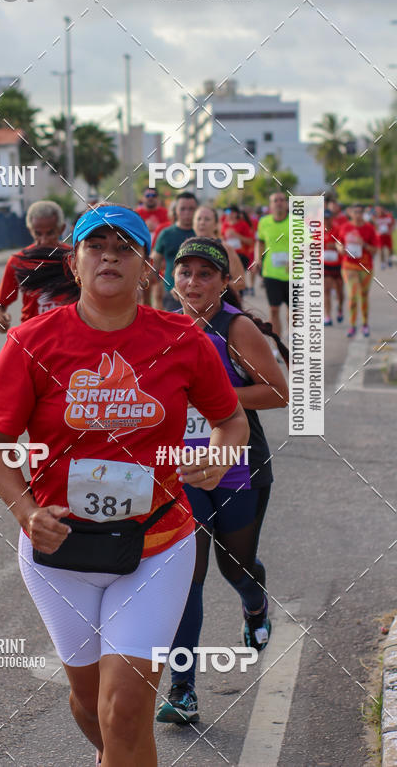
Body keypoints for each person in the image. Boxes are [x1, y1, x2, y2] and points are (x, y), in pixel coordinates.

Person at [0, 206, 249, 766]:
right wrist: (26, 512)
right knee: (90, 705)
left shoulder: (182, 338)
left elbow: (231, 419)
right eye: (95, 245)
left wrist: (221, 455)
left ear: (146, 268)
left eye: (125, 248)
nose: (109, 256)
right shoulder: (31, 341)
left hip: (157, 544)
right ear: (74, 264)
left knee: (124, 709)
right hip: (59, 550)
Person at [156, 236, 289, 725]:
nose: (193, 282)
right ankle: (183, 690)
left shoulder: (236, 328)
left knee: (235, 567)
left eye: (205, 274)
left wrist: (214, 397)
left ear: (224, 282)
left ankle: (255, 605)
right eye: (185, 272)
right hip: (183, 470)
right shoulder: (163, 328)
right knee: (185, 579)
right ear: (173, 280)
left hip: (239, 467)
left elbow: (278, 393)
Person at [0, 200, 69, 332]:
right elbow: (1, 303)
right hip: (32, 335)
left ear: (61, 229)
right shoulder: (18, 261)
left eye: (50, 233)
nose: (44, 240)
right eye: (38, 234)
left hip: (69, 335)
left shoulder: (75, 258)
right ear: (30, 230)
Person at [336, 203, 378, 338]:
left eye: (360, 212)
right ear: (350, 213)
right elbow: (339, 243)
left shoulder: (369, 228)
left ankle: (365, 324)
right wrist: (340, 249)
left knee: (364, 295)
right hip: (349, 266)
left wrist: (364, 244)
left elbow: (375, 250)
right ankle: (352, 325)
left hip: (365, 267)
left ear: (363, 213)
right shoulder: (345, 227)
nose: (358, 215)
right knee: (353, 295)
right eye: (355, 212)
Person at [254, 192, 290, 344]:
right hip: (271, 273)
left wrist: (296, 260)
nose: (279, 203)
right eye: (275, 200)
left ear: (286, 204)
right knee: (274, 310)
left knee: (294, 313)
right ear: (270, 205)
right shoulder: (264, 222)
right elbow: (260, 242)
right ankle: (277, 345)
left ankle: (292, 336)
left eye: (282, 200)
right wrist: (258, 258)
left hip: (293, 274)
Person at [153, 191, 198, 311]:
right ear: (175, 210)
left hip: (199, 294)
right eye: (182, 209)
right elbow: (153, 263)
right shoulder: (166, 234)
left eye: (191, 209)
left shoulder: (202, 234)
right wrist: (158, 284)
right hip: (172, 295)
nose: (187, 213)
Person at [193, 205, 246, 294]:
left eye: (207, 219)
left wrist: (216, 288)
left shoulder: (225, 249)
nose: (202, 222)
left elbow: (241, 282)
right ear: (193, 224)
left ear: (216, 225)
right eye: (198, 219)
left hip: (221, 301)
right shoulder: (188, 248)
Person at [323, 209, 344, 326]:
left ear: (332, 218)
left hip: (338, 265)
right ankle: (327, 316)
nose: (326, 221)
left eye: (328, 218)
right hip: (324, 264)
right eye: (324, 219)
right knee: (326, 290)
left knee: (339, 291)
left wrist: (335, 246)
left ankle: (340, 308)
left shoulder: (338, 229)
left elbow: (343, 244)